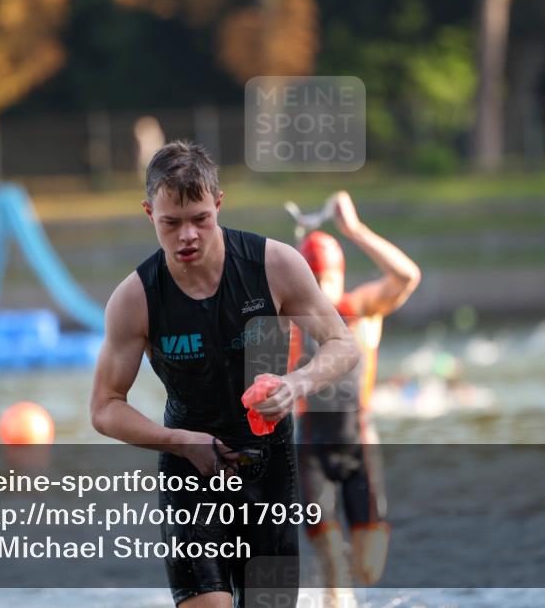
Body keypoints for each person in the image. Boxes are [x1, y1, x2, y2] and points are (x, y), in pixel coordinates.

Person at [90, 141, 360, 608]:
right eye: (170, 223)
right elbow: (104, 407)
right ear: (148, 212)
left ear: (218, 203)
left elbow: (343, 345)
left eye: (200, 218)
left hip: (269, 468)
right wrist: (180, 441)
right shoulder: (135, 298)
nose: (187, 236)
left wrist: (296, 384)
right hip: (190, 472)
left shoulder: (272, 265)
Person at [289, 192, 421, 604]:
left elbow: (406, 277)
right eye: (310, 280)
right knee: (334, 567)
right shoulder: (286, 321)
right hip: (310, 447)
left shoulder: (362, 309)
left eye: (325, 279)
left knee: (368, 568)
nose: (320, 294)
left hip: (359, 444)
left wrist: (355, 230)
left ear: (339, 277)